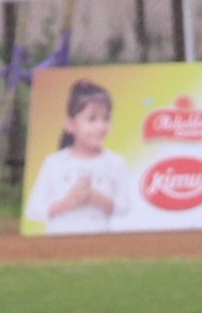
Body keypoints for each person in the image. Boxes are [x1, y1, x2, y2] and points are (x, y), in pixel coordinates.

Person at [24, 79, 134, 235]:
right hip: (59, 240)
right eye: (92, 119)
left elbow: (125, 206)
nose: (100, 126)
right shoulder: (55, 163)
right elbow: (33, 210)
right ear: (70, 124)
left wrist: (96, 198)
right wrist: (68, 202)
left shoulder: (115, 163)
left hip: (100, 239)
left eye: (106, 119)